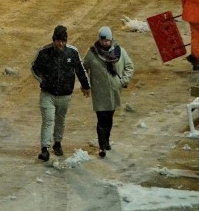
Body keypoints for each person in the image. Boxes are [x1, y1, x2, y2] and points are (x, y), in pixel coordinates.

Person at [31, 25, 91, 161]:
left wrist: (86, 86)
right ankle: (45, 148)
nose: (61, 44)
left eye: (63, 41)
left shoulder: (72, 53)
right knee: (48, 120)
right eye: (58, 41)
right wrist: (43, 80)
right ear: (54, 40)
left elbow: (80, 70)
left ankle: (57, 143)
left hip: (65, 95)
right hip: (48, 94)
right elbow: (34, 68)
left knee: (60, 120)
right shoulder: (44, 52)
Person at [82, 26, 134, 158]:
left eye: (107, 41)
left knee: (109, 118)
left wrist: (123, 81)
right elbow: (83, 69)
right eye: (103, 41)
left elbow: (129, 66)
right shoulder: (92, 53)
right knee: (101, 118)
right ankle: (101, 146)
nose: (105, 43)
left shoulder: (119, 52)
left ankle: (106, 140)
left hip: (113, 91)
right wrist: (86, 84)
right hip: (99, 92)